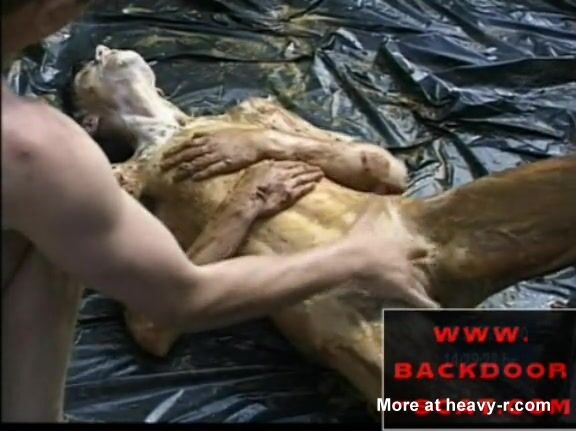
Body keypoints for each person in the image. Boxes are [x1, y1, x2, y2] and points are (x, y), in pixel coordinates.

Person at [1, 0, 429, 422]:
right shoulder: (106, 176)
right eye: (92, 70)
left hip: (386, 232)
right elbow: (158, 319)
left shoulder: (255, 117)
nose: (104, 52)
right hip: (323, 287)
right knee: (435, 382)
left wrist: (270, 142)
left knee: (468, 233)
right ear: (90, 122)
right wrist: (243, 211)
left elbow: (388, 172)